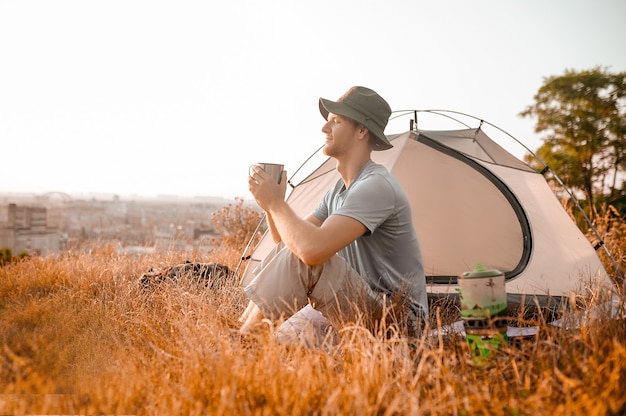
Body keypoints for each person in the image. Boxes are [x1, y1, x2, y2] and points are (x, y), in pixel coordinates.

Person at [241, 86, 427, 343]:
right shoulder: (338, 192)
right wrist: (272, 206)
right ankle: (246, 337)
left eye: (336, 122)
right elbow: (289, 246)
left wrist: (275, 204)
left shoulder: (375, 186)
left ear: (362, 131)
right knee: (283, 341)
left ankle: (244, 345)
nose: (324, 129)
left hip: (397, 322)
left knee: (310, 257)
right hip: (361, 304)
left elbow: (310, 253)